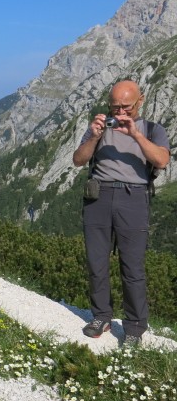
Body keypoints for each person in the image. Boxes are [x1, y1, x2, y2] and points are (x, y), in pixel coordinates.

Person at [72, 80, 170, 346]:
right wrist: (93, 135)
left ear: (141, 101)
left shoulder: (152, 129)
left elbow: (161, 160)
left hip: (134, 198)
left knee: (132, 266)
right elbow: (78, 160)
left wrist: (135, 134)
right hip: (98, 197)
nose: (120, 114)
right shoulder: (101, 128)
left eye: (126, 108)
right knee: (96, 262)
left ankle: (135, 328)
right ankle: (101, 316)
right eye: (115, 108)